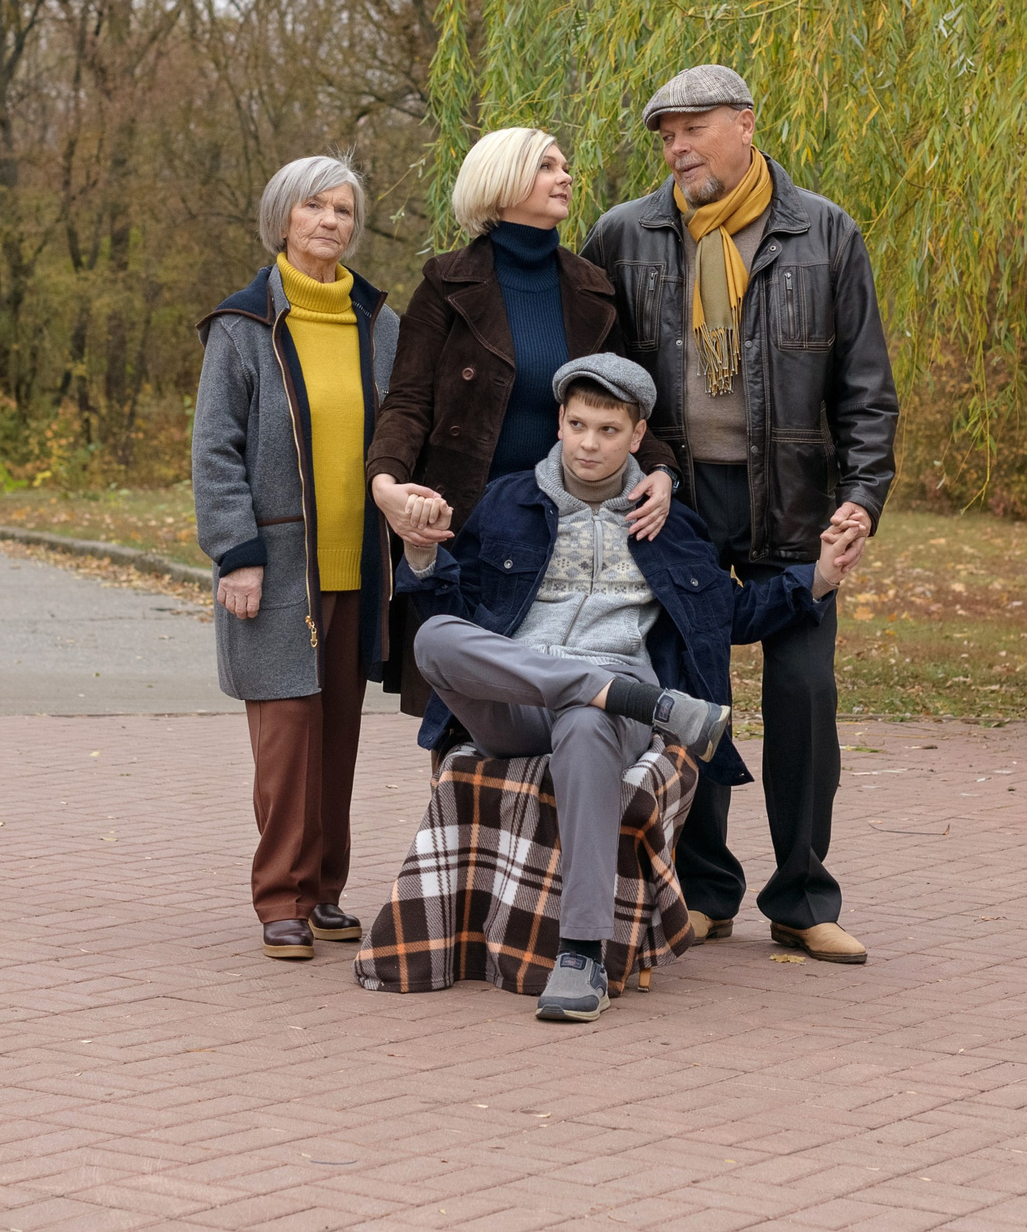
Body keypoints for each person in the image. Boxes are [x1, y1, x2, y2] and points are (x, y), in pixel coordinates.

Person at [397, 353, 858, 1021]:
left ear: (638, 435)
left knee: (585, 720)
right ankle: (605, 690)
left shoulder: (670, 521)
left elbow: (726, 618)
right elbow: (458, 610)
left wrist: (817, 577)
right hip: (519, 701)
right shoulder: (506, 502)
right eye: (579, 424)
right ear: (559, 422)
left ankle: (581, 954)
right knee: (435, 638)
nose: (589, 443)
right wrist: (419, 552)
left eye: (608, 429)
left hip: (619, 703)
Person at [582, 64, 898, 966]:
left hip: (798, 502)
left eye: (694, 129)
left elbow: (867, 393)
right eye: (666, 136)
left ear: (747, 124)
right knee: (690, 698)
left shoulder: (824, 232)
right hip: (675, 503)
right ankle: (706, 889)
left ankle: (802, 897)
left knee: (804, 694)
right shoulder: (625, 236)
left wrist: (860, 500)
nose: (678, 149)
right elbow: (605, 385)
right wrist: (643, 467)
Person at [365, 126, 676, 732]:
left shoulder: (591, 288)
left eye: (564, 165)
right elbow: (406, 404)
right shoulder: (445, 284)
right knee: (468, 710)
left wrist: (663, 470)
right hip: (474, 525)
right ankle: (463, 828)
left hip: (570, 524)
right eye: (546, 166)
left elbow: (630, 404)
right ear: (501, 183)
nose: (565, 176)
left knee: (567, 710)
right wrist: (385, 482)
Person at [192, 156, 400, 962]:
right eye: (315, 207)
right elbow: (216, 448)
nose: (332, 222)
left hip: (360, 566)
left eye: (345, 210)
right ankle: (279, 896)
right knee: (286, 742)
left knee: (337, 740)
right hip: (276, 568)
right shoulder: (244, 326)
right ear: (283, 218)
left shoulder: (379, 324)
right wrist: (235, 553)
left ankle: (324, 892)